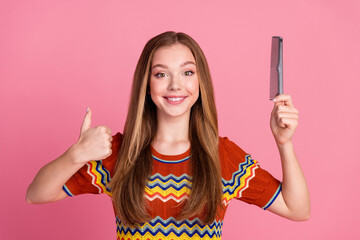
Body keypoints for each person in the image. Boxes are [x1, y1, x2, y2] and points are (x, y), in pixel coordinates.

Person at [26, 31, 310, 239]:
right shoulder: (118, 153)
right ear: (146, 85)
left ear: (200, 83)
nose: (176, 85)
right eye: (161, 74)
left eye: (187, 73)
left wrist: (284, 144)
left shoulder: (223, 157)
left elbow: (297, 210)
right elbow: (36, 194)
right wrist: (76, 155)